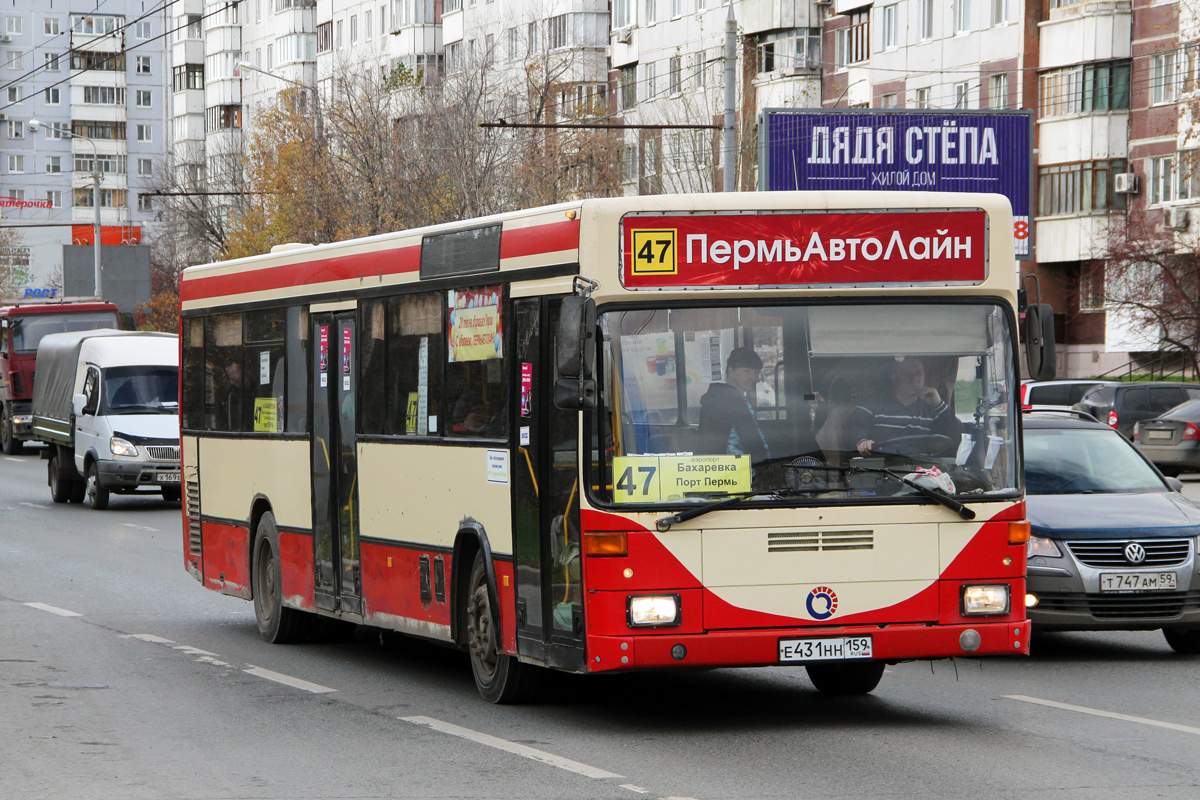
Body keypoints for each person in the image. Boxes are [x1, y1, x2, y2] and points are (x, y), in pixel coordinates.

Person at [848, 358, 961, 456]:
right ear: (895, 379)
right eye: (908, 374)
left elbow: (956, 434)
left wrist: (939, 404)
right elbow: (852, 429)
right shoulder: (872, 405)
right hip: (882, 468)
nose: (915, 379)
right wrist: (863, 442)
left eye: (919, 373)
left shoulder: (933, 409)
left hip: (921, 470)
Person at [698, 347, 770, 463]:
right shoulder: (736, 401)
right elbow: (753, 441)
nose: (754, 378)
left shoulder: (714, 397)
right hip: (739, 470)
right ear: (731, 371)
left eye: (757, 372)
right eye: (746, 371)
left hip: (716, 469)